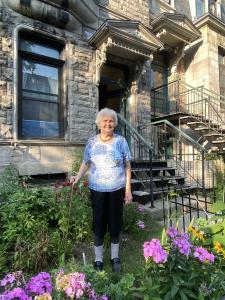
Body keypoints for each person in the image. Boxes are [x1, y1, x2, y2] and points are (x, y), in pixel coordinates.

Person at [71, 108, 132, 272]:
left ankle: (115, 257)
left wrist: (128, 190)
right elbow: (86, 162)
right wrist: (77, 178)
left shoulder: (121, 141)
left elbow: (127, 165)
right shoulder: (92, 142)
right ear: (99, 124)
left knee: (115, 223)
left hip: (117, 188)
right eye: (105, 121)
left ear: (115, 124)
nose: (108, 124)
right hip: (97, 189)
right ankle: (98, 259)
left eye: (111, 121)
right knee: (98, 224)